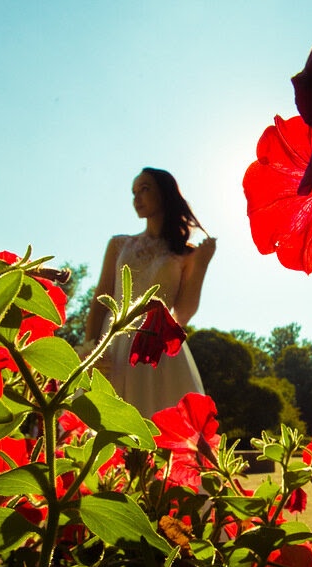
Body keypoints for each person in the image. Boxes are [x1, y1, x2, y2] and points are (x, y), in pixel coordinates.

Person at [84, 168, 216, 417]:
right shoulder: (119, 244)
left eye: (144, 189)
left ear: (165, 193)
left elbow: (183, 314)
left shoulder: (187, 254)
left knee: (159, 425)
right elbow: (101, 300)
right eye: (133, 192)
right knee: (104, 422)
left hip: (157, 347)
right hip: (114, 340)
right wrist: (90, 347)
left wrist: (202, 263)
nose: (136, 198)